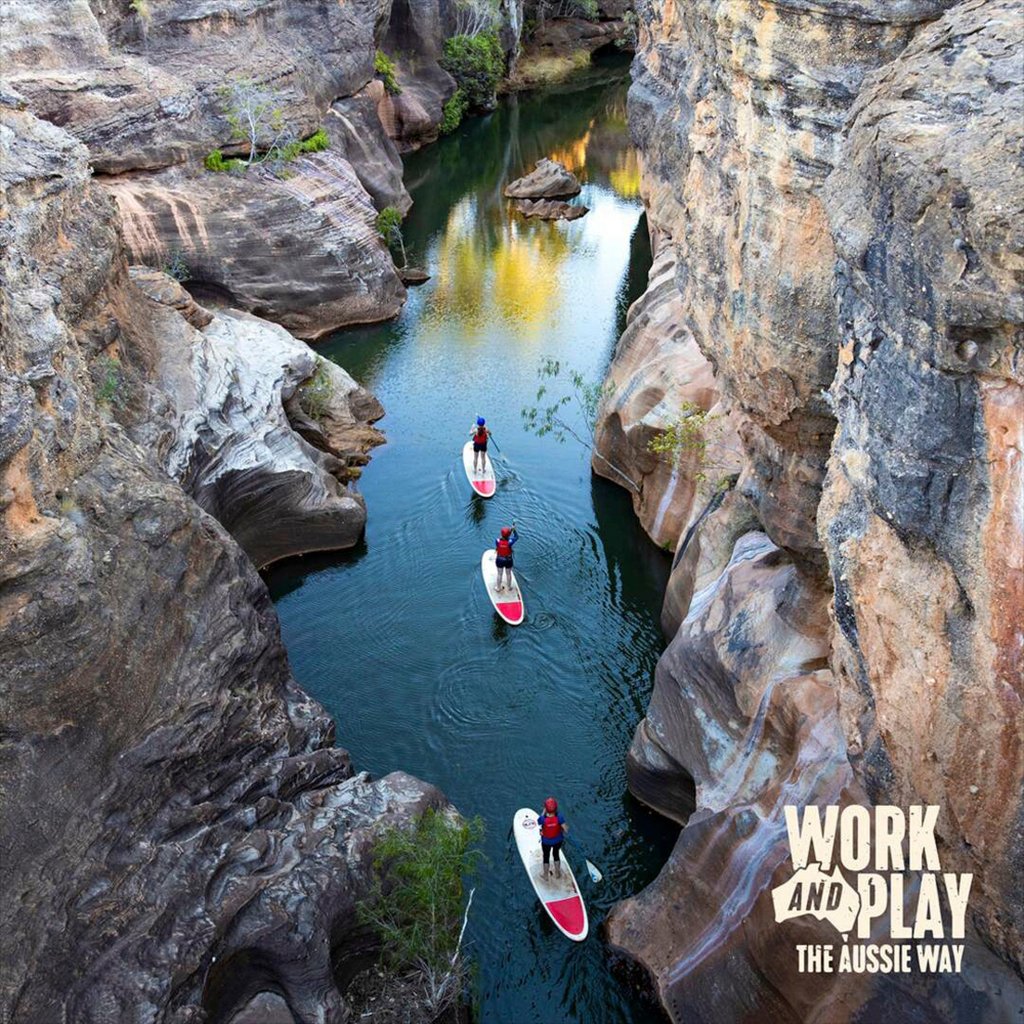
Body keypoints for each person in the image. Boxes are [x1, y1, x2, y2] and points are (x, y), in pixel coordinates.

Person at [537, 797, 568, 878]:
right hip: (558, 841)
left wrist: (543, 812)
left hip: (546, 842)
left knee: (546, 857)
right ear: (556, 808)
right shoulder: (559, 817)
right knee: (556, 854)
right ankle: (558, 873)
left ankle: (545, 875)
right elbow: (566, 830)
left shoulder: (543, 819)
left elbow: (539, 821)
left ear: (545, 809)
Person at [494, 524, 518, 593]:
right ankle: (509, 587)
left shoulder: (497, 541)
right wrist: (514, 530)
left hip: (500, 560)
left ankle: (498, 588)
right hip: (508, 560)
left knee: (499, 574)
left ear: (501, 534)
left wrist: (509, 531)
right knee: (508, 574)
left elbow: (501, 539)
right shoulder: (510, 541)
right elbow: (516, 537)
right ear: (509, 535)